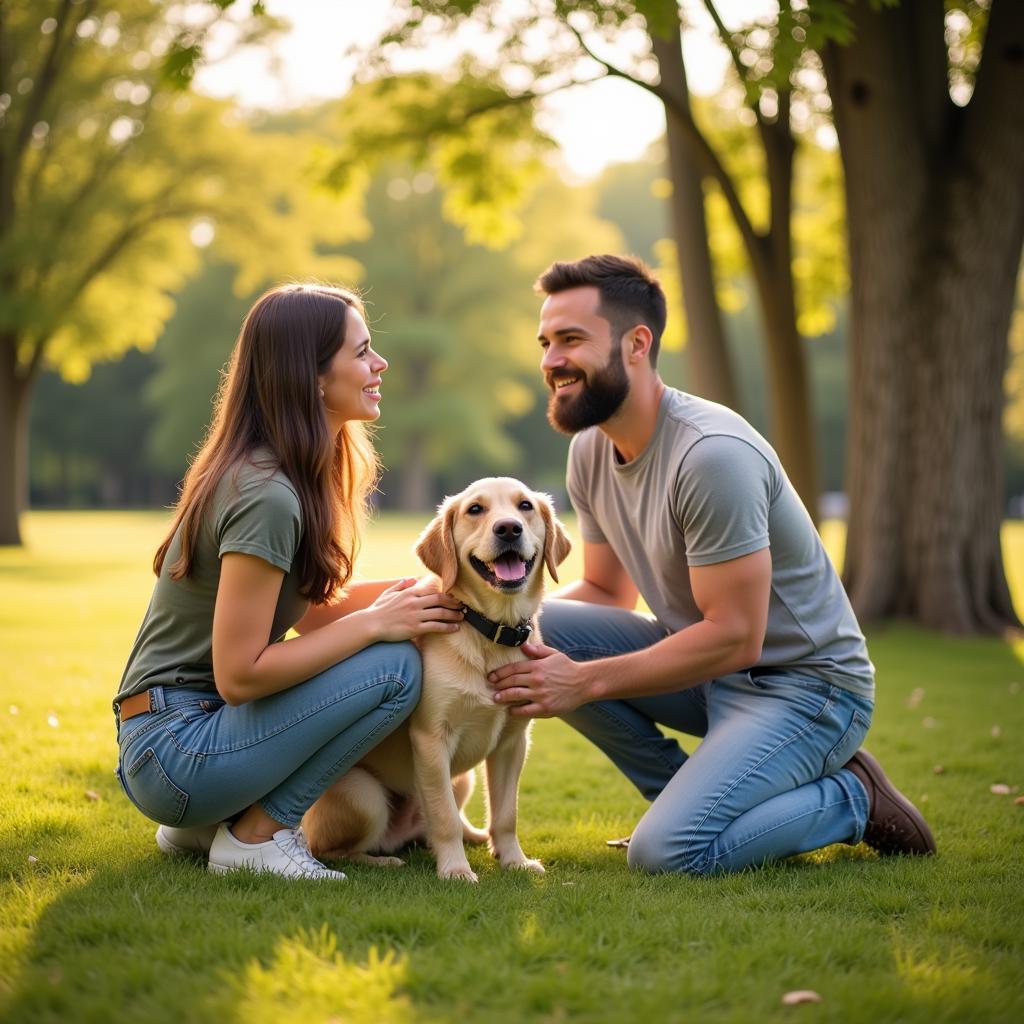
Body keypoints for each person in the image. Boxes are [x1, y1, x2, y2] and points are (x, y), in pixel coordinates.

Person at [488, 254, 936, 875]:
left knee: (667, 854)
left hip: (806, 688)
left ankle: (853, 797)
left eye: (571, 340)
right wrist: (477, 616)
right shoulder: (591, 449)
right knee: (540, 630)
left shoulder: (710, 456)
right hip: (708, 672)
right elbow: (605, 593)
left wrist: (585, 682)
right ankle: (681, 795)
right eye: (545, 342)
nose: (550, 361)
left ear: (637, 343)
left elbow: (736, 635)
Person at [113, 284, 463, 880]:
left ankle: (206, 824)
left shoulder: (289, 476)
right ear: (313, 377)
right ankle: (255, 837)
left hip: (187, 737)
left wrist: (423, 593)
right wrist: (377, 624)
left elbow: (315, 613)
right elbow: (241, 674)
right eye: (362, 352)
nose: (379, 365)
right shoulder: (266, 496)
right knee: (394, 669)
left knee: (387, 641)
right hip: (177, 747)